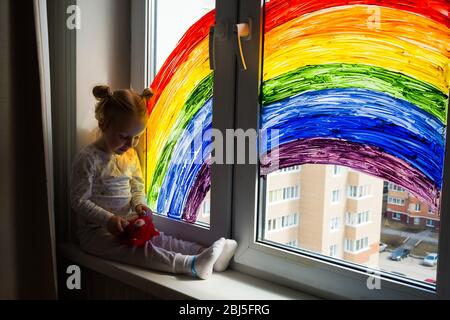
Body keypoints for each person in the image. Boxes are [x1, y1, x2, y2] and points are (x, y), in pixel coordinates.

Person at [70, 85, 237, 279]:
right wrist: (108, 220)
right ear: (103, 124)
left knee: (160, 239)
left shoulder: (130, 156)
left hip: (131, 225)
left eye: (137, 137)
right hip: (97, 235)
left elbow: (137, 187)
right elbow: (78, 200)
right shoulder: (88, 158)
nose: (131, 144)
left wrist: (140, 204)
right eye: (124, 136)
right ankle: (191, 265)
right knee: (143, 252)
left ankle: (205, 252)